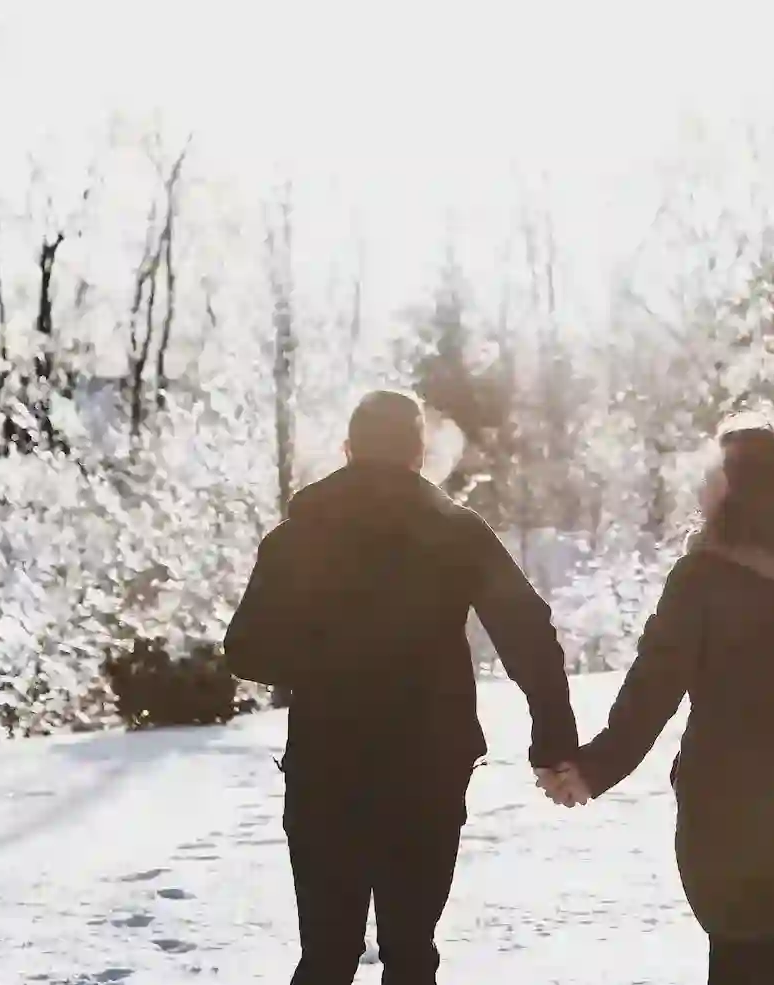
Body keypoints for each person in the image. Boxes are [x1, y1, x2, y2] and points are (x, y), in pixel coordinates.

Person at [224, 390, 581, 985]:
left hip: (326, 767)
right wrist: (553, 737)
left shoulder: (298, 537)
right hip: (429, 769)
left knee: (326, 955)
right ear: (418, 454)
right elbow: (528, 632)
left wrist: (329, 662)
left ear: (347, 450)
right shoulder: (455, 532)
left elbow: (245, 649)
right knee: (411, 952)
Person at [539, 415, 774, 985]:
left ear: (745, 486)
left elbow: (653, 689)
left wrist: (593, 769)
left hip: (729, 809)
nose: (702, 484)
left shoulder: (703, 577)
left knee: (738, 965)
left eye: (715, 472)